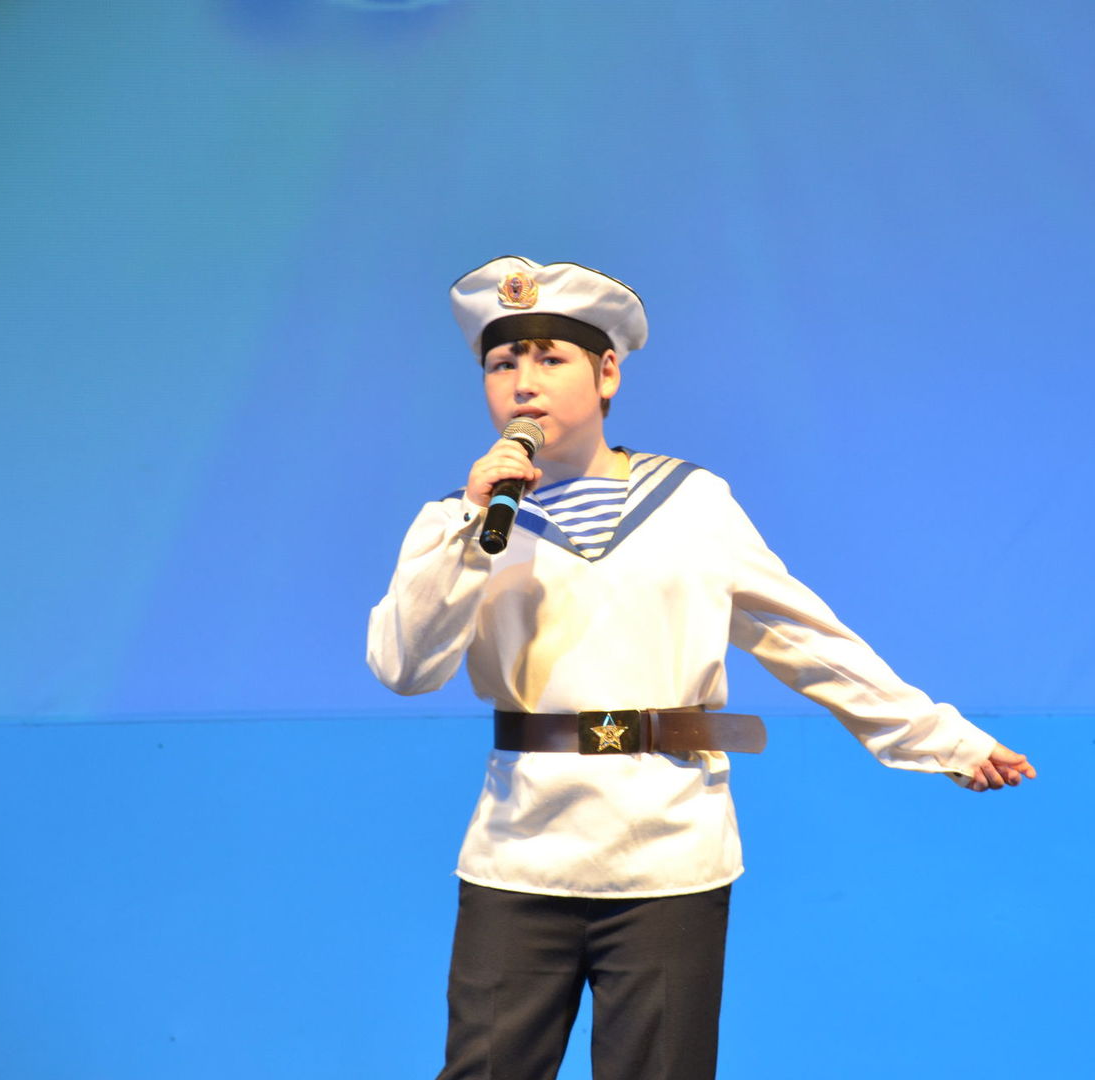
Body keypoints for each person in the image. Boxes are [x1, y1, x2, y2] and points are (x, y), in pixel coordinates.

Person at [366, 255, 1037, 1080]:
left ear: (607, 373)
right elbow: (404, 667)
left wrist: (940, 739)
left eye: (549, 357)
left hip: (668, 847)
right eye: (502, 364)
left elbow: (805, 638)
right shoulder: (459, 522)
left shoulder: (691, 504)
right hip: (520, 848)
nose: (523, 384)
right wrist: (471, 527)